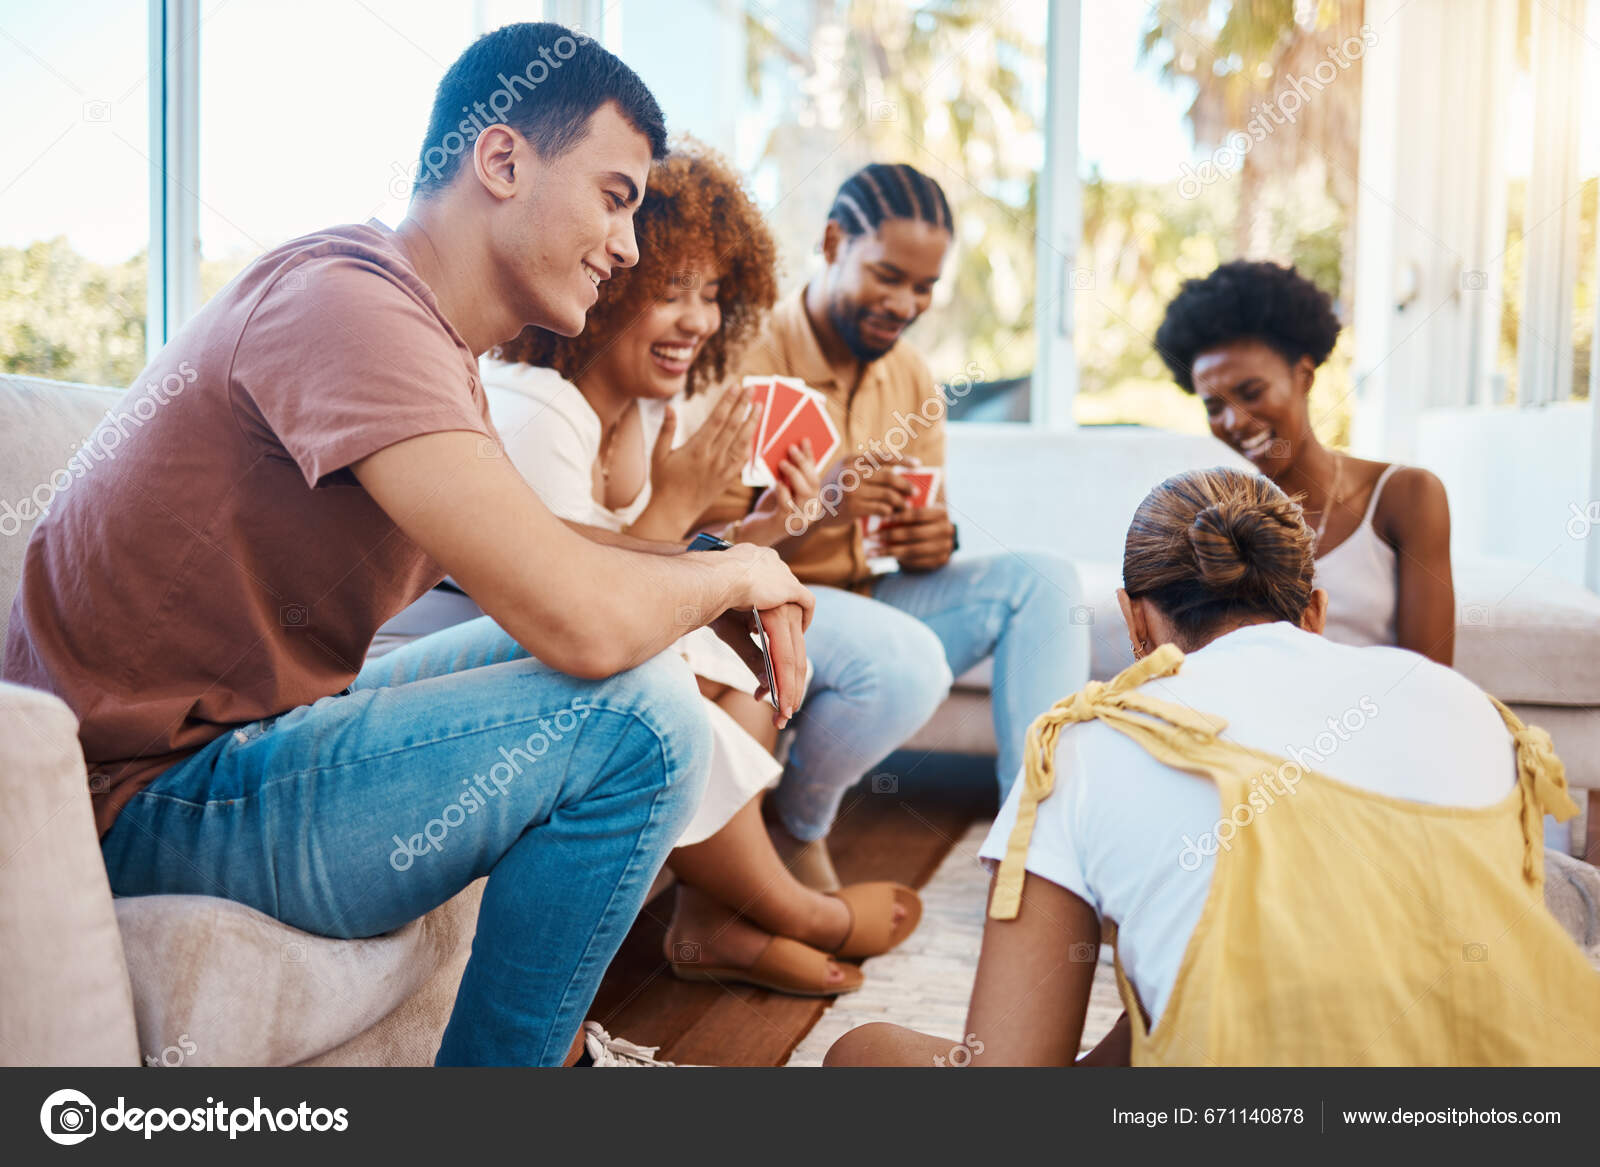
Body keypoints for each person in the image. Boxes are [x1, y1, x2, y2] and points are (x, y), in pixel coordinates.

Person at [2, 23, 816, 1067]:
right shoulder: (348, 303)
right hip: (145, 805)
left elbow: (539, 545)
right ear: (503, 160)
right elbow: (576, 620)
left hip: (244, 748)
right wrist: (734, 570)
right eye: (616, 198)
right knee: (638, 721)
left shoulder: (423, 344)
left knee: (644, 660)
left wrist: (716, 565)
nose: (627, 248)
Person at [826, 468, 1599, 1066]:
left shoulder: (1086, 744)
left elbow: (1008, 1084)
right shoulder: (1460, 703)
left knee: (862, 1054)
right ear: (1316, 611)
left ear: (1134, 623)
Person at [400, 141, 921, 997]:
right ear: (609, 281)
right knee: (695, 666)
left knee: (748, 655)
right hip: (479, 669)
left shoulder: (648, 409)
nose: (700, 322)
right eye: (672, 293)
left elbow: (665, 564)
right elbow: (570, 587)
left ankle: (714, 918)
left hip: (574, 646)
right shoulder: (534, 408)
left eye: (713, 296)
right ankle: (791, 908)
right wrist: (679, 508)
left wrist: (774, 523)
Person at [698, 162, 1090, 884]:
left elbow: (915, 538)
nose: (905, 303)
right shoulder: (744, 356)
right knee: (908, 659)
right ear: (831, 241)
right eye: (887, 276)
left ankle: (1038, 851)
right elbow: (703, 551)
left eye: (924, 288)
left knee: (1046, 582)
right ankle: (798, 823)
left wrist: (936, 542)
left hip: (865, 600)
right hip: (763, 607)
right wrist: (820, 507)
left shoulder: (909, 375)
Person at [1155, 259, 1454, 663]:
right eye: (1213, 407)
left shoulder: (1407, 496)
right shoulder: (1217, 519)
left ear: (1305, 377)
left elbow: (1430, 677)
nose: (1235, 422)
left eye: (1251, 391)